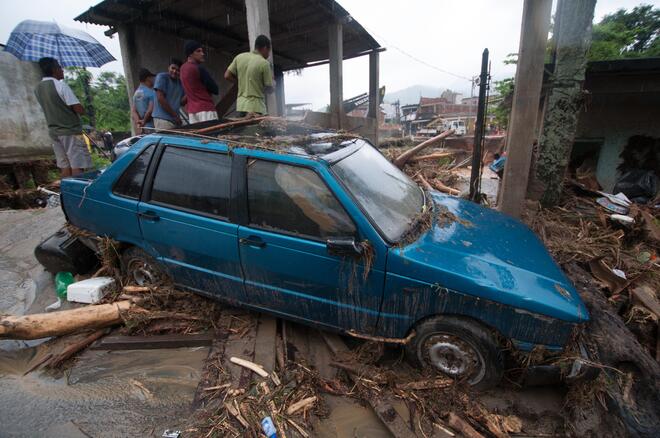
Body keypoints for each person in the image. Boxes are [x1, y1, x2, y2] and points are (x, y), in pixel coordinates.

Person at [34, 57, 92, 177]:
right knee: (77, 165)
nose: (62, 70)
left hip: (54, 132)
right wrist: (82, 107)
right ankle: (77, 193)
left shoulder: (38, 88)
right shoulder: (60, 86)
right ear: (54, 69)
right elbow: (79, 109)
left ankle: (66, 193)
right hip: (70, 131)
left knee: (65, 165)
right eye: (60, 67)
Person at [224, 35, 274, 117]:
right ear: (265, 48)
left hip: (241, 106)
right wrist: (273, 84)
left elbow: (227, 75)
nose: (268, 54)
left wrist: (240, 82)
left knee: (244, 129)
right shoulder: (264, 63)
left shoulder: (239, 57)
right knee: (257, 130)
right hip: (257, 108)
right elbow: (269, 89)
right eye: (269, 51)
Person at [181, 40, 219, 124]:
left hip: (192, 112)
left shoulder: (182, 69)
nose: (202, 54)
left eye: (202, 51)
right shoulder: (199, 68)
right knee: (212, 135)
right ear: (190, 53)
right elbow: (215, 89)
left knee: (199, 136)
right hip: (206, 110)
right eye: (198, 51)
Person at [153, 59, 186, 129]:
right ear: (168, 68)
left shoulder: (180, 83)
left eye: (178, 70)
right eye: (173, 68)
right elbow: (160, 99)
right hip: (162, 119)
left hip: (175, 120)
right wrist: (175, 116)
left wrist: (190, 91)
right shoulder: (162, 77)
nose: (174, 71)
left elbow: (181, 103)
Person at [131, 68, 156, 133]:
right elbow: (150, 110)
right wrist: (144, 121)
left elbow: (133, 111)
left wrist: (138, 122)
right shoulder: (151, 93)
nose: (153, 80)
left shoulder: (135, 94)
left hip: (142, 128)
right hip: (151, 126)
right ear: (148, 78)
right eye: (151, 78)